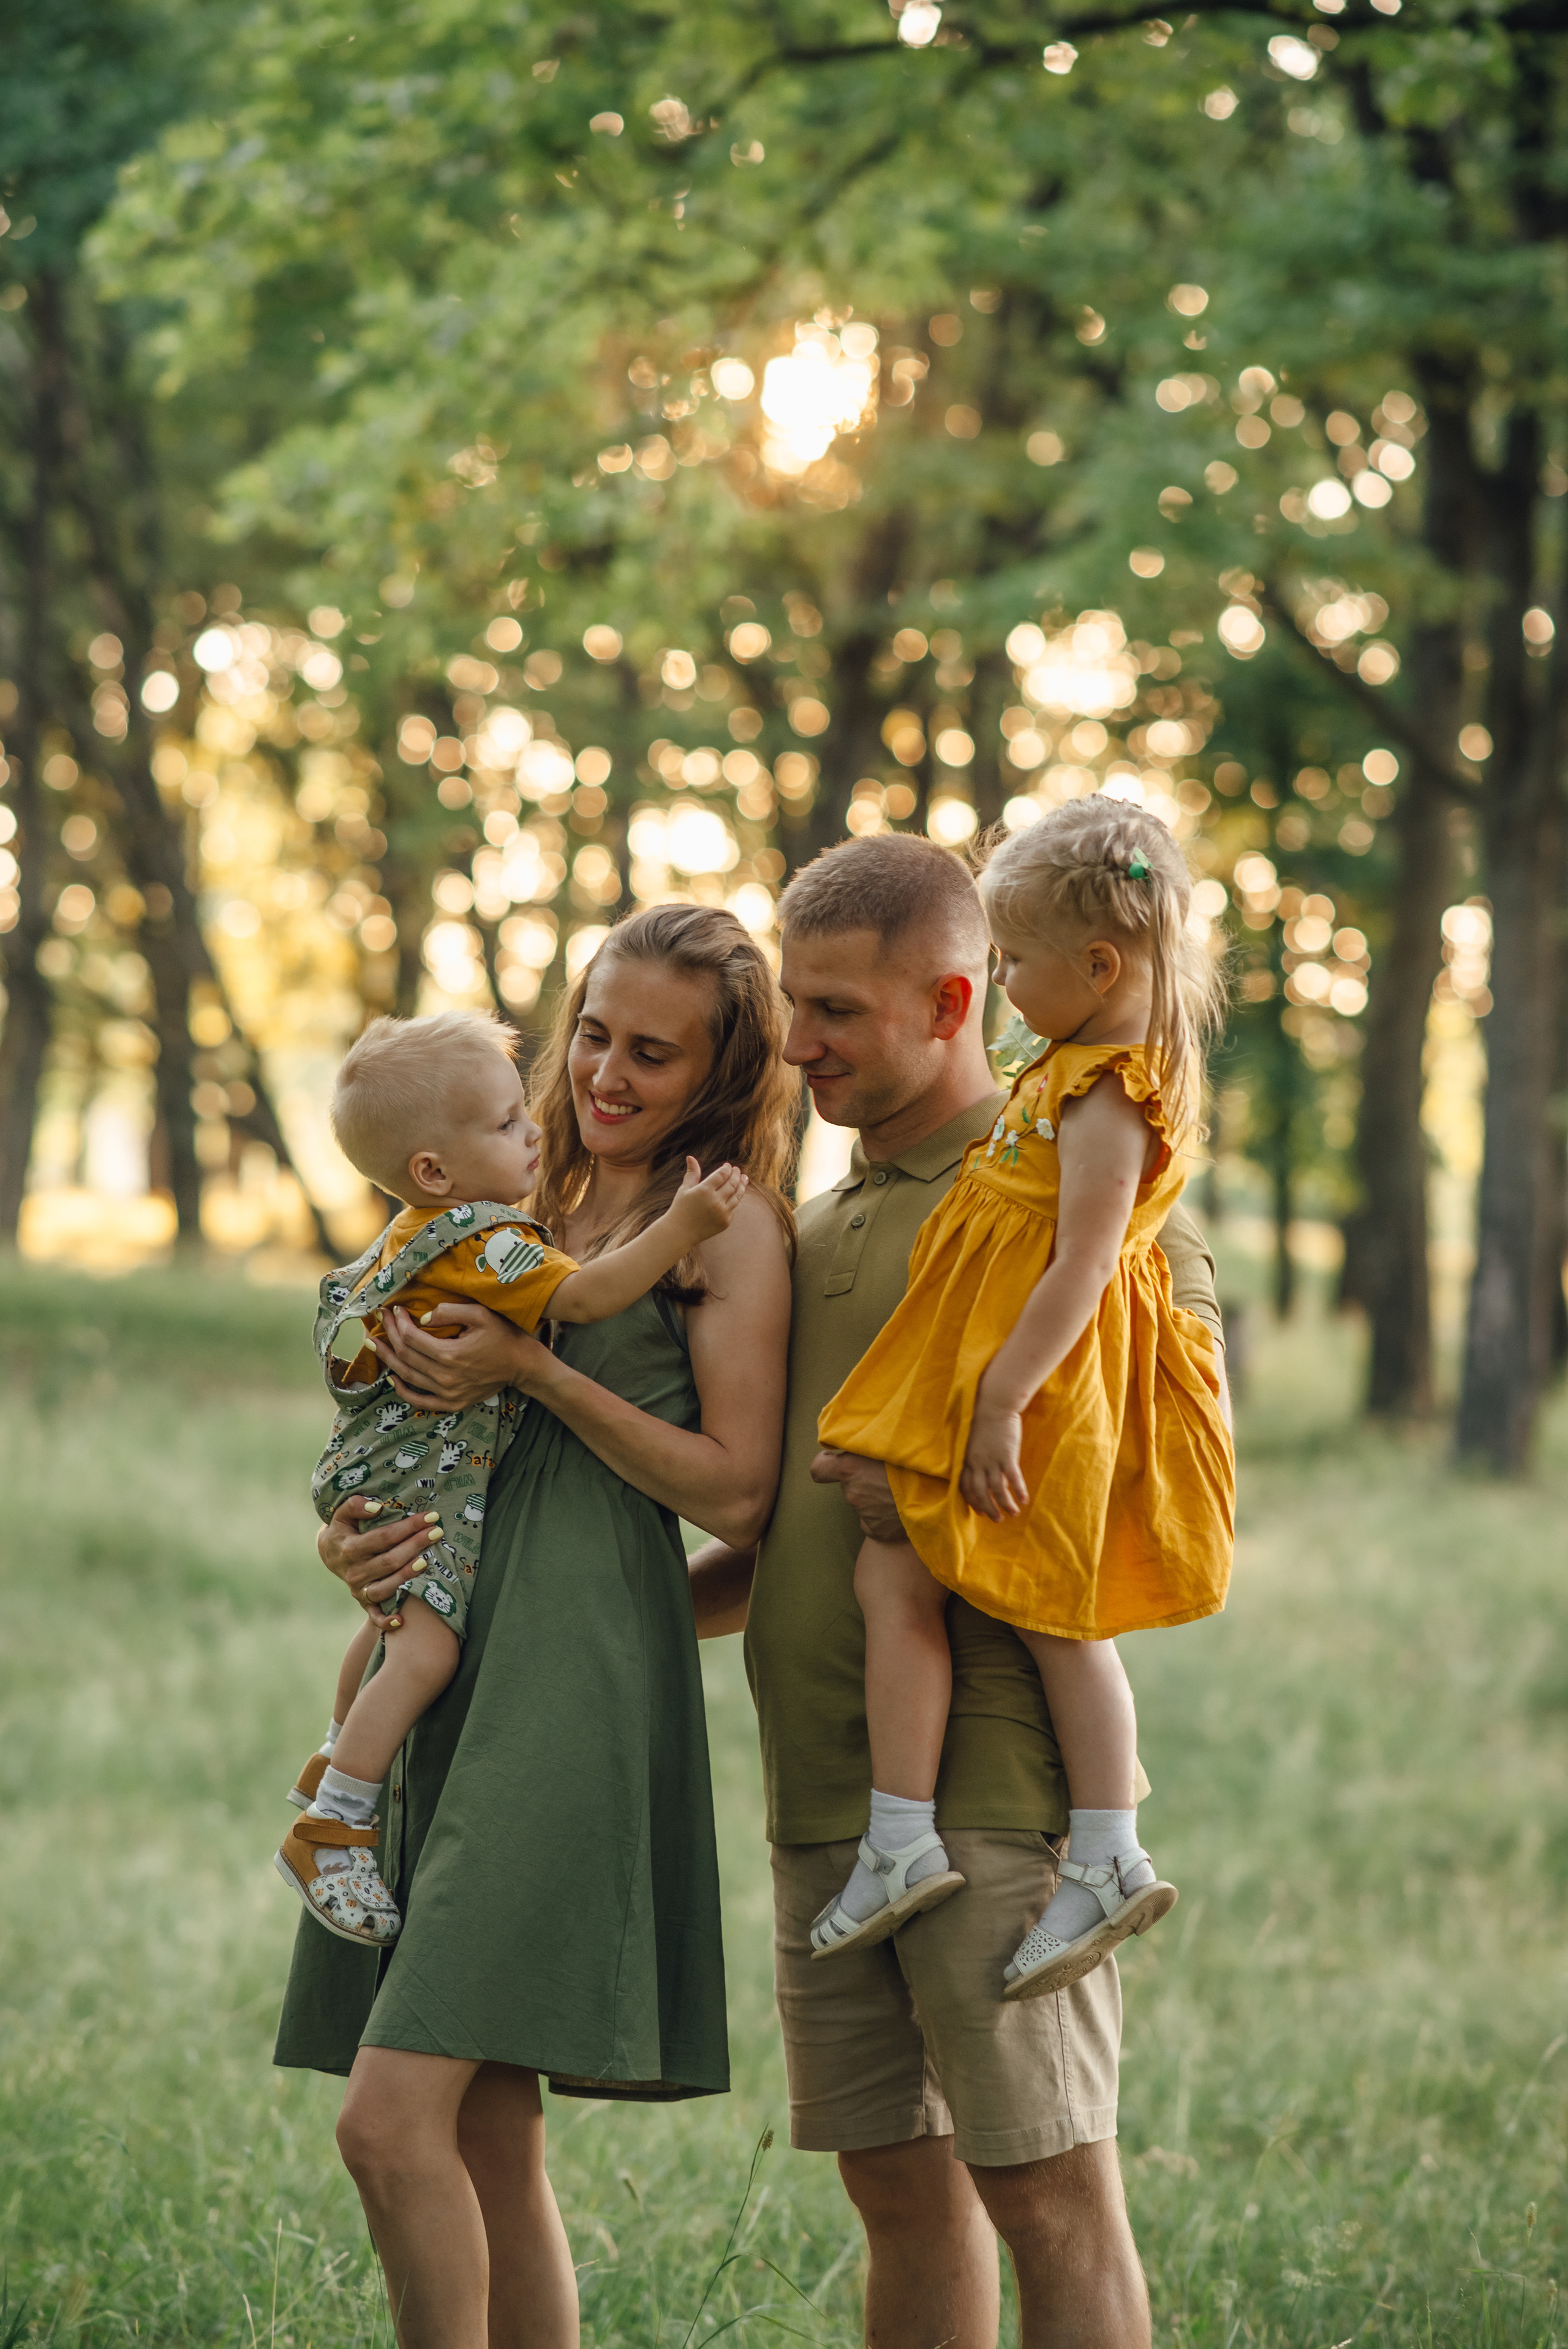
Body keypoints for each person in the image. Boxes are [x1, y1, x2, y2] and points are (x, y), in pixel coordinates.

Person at [695, 830, 1230, 2349]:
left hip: (996, 1796)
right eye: (793, 1006)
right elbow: (782, 1527)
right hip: (832, 1807)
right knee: (894, 2183)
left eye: (837, 1014)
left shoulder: (1080, 1203)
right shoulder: (805, 1235)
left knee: (1049, 2194)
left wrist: (932, 1494)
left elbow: (1142, 1489)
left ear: (954, 1002)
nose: (797, 1047)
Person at [277, 906, 795, 2349]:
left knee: (389, 2129)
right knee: (486, 2136)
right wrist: (355, 1544)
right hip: (443, 1655)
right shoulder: (505, 1194)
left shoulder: (724, 1227)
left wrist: (537, 1371)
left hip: (567, 1684)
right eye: (589, 1033)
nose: (604, 1073)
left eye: (651, 1051)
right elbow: (409, 1418)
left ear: (717, 1071)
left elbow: (742, 1495)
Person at [807, 802, 1234, 2002]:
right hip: (980, 1378)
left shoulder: (1110, 1090)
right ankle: (899, 1836)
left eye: (1010, 961)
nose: (997, 983)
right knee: (889, 1572)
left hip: (1039, 1391)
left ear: (1096, 967)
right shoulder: (1053, 1073)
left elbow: (1085, 1263)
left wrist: (998, 1401)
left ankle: (1105, 1850)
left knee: (1057, 1611)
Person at [278, 1008, 748, 1950]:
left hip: (379, 1466)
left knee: (395, 1623)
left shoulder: (415, 1232)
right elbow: (585, 1295)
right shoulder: (483, 1239)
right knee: (427, 1649)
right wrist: (681, 1226)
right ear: (433, 1170)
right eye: (502, 1124)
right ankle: (335, 1818)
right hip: (424, 1473)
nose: (532, 1127)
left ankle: (335, 1754)